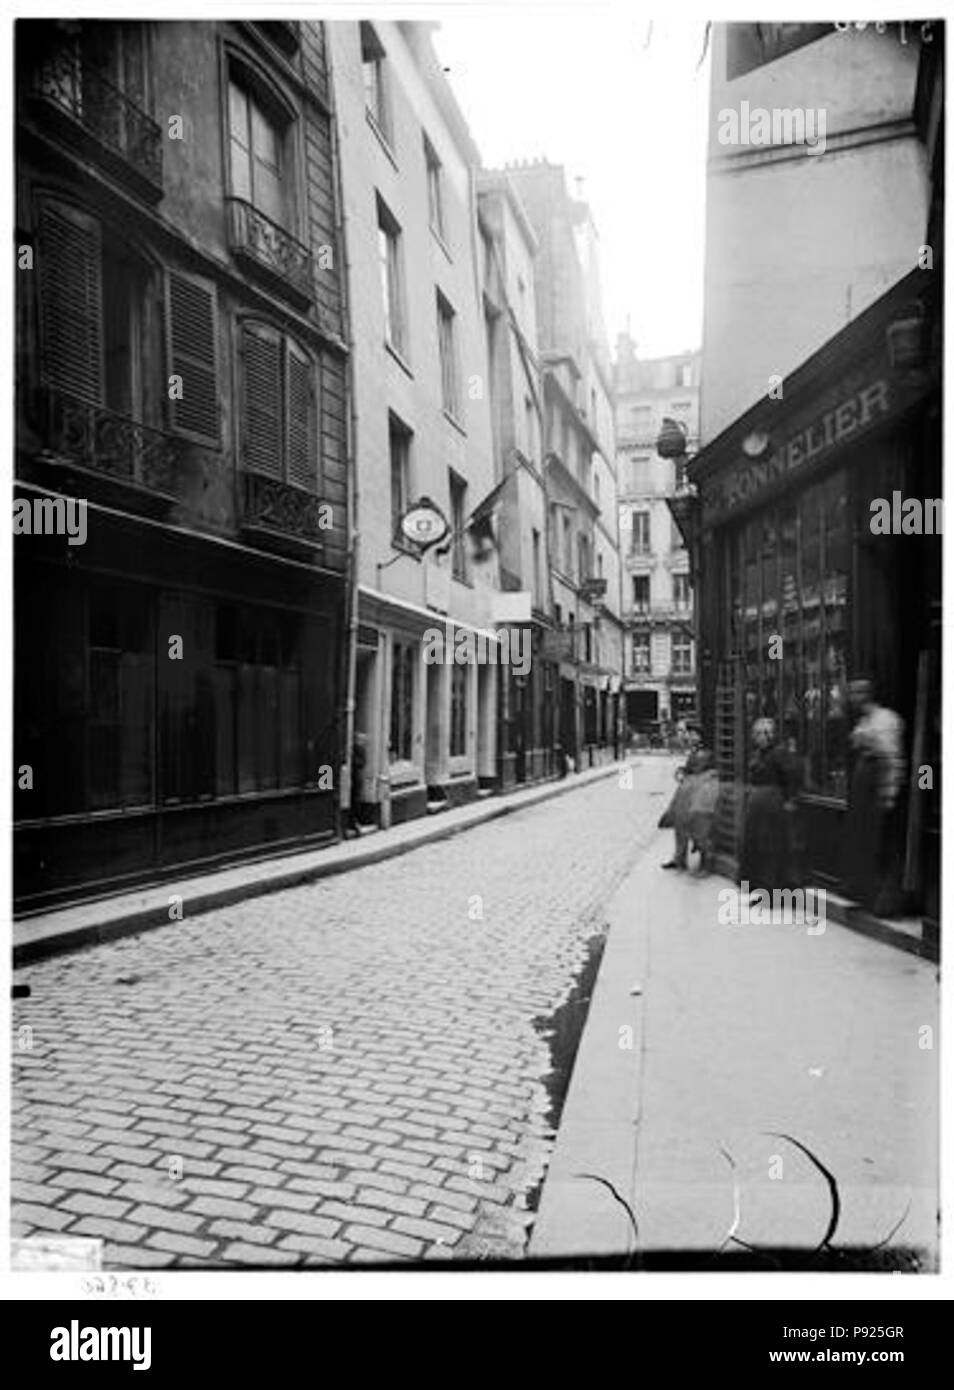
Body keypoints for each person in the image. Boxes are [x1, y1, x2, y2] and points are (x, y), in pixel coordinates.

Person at [842, 679, 906, 914]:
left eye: (857, 693)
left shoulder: (886, 719)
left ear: (868, 694)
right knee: (862, 840)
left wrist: (889, 794)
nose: (852, 698)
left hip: (877, 788)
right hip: (863, 788)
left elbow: (892, 759)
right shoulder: (863, 721)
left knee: (878, 842)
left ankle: (882, 900)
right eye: (851, 693)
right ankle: (864, 894)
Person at [738, 717, 801, 895]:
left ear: (771, 734)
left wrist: (790, 800)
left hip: (772, 803)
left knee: (769, 846)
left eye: (763, 733)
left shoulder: (779, 753)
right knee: (753, 845)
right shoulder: (757, 753)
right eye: (756, 733)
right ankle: (756, 888)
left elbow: (792, 775)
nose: (759, 736)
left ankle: (771, 890)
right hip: (756, 804)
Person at [661, 727, 713, 870]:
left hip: (699, 792)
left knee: (699, 826)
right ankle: (679, 858)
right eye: (689, 734)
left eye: (693, 734)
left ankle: (705, 861)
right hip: (687, 790)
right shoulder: (695, 750)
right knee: (679, 823)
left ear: (701, 736)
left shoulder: (704, 752)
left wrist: (686, 771)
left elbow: (698, 768)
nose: (690, 736)